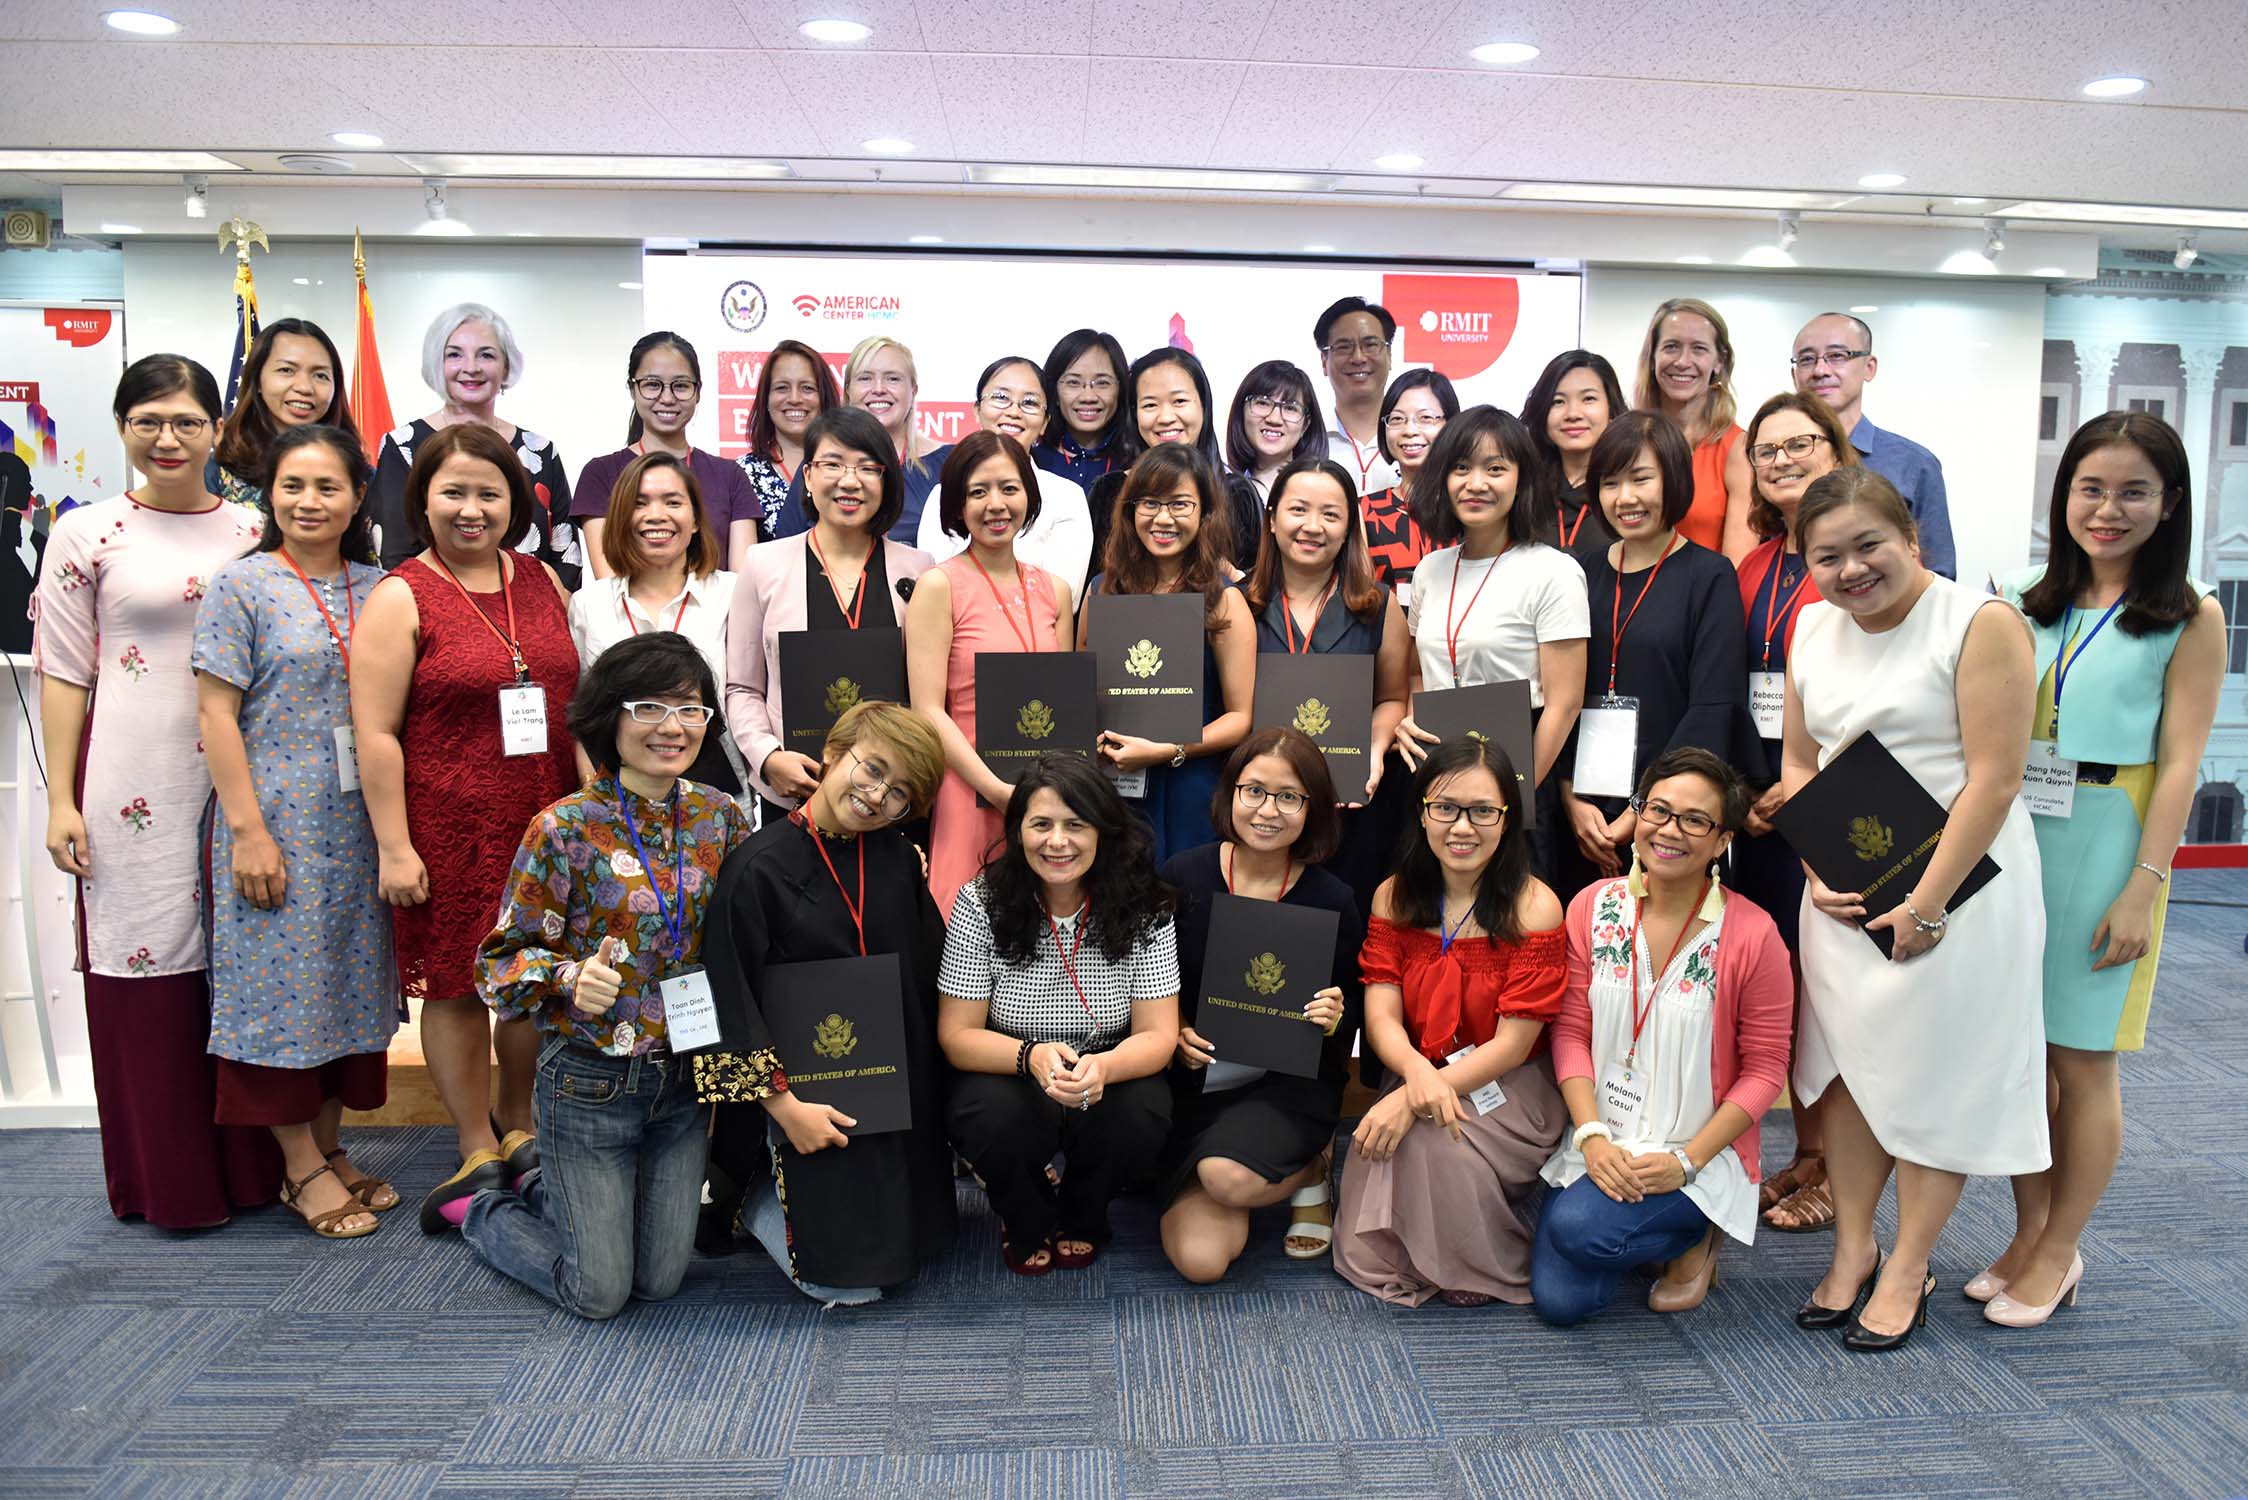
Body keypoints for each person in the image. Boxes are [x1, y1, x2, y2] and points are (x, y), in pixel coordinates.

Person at [1785, 466, 2046, 1351]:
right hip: (1846, 894)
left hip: (1959, 894)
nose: (1851, 570)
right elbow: (1797, 761)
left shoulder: (1981, 622)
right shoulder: (1810, 626)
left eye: (1868, 547)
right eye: (1827, 557)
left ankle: (1909, 1265)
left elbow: (1997, 777)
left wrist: (1926, 906)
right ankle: (1855, 1249)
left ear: (1912, 541)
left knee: (1940, 1077)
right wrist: (1818, 865)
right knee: (1855, 1075)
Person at [1983, 413, 2223, 1327]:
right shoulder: (2023, 599)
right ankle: (2025, 1231)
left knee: (2082, 1063)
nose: (2108, 509)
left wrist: (2144, 887)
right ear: (2064, 495)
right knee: (2022, 1060)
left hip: (2111, 832)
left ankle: (2059, 1250)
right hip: (2018, 834)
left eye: (2133, 492)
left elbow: (2183, 764)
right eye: (2091, 488)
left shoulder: (2189, 614)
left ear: (2169, 505)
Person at [34, 354, 282, 1227]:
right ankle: (166, 1181)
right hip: (133, 775)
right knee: (144, 960)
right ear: (122, 427)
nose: (168, 438)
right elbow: (64, 674)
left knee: (244, 963)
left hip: (246, 777)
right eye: (148, 421)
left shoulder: (254, 530)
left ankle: (258, 1173)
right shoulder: (86, 532)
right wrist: (61, 799)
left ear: (218, 428)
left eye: (186, 421)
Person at [441, 635, 750, 1317]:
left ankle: (545, 1190)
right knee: (599, 1293)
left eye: (691, 710)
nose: (672, 728)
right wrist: (570, 976)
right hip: (590, 1081)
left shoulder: (721, 818)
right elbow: (499, 962)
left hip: (684, 1084)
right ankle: (486, 1207)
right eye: (648, 708)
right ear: (609, 716)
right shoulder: (564, 828)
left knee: (660, 1281)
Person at [351, 422, 581, 1223]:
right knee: (455, 986)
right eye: (454, 492)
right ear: (424, 500)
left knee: (527, 985)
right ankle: (473, 1141)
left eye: (490, 492)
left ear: (515, 499)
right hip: (447, 826)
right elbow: (375, 732)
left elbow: (572, 708)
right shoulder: (400, 593)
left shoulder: (542, 582)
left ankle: (520, 1125)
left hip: (542, 821)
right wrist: (394, 846)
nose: (472, 508)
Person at [193, 424, 400, 1240]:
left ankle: (329, 1146)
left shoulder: (379, 585)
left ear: (357, 499)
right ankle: (299, 1168)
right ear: (269, 494)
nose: (310, 502)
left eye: (329, 487)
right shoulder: (241, 587)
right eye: (293, 486)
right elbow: (214, 711)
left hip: (359, 826)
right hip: (274, 821)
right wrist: (247, 829)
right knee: (276, 996)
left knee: (344, 989)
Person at [696, 701, 958, 1304]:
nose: (876, 796)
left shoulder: (896, 860)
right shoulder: (756, 869)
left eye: (899, 794)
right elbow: (725, 1004)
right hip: (797, 1093)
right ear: (835, 753)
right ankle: (749, 1190)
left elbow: (930, 981)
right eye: (870, 769)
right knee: (849, 1288)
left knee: (922, 1246)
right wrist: (786, 1110)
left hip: (889, 1087)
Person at [1531, 749, 1794, 1325]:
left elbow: (1767, 1069)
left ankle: (1693, 1238)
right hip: (1599, 1141)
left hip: (1693, 1149)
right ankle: (1629, 1228)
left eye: (1695, 820)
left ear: (1723, 839)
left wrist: (1688, 1162)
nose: (1669, 831)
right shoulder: (1592, 907)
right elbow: (1571, 1031)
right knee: (1561, 1302)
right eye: (1658, 810)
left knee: (1576, 1231)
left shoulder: (1753, 934)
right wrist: (1594, 1135)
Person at [1333, 738, 1568, 1307]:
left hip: (1507, 1086)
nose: (1462, 826)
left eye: (1482, 811)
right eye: (1446, 808)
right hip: (1420, 1070)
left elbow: (1514, 1045)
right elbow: (1382, 1015)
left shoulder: (1534, 906)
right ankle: (1444, 1244)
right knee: (1366, 1228)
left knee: (1431, 1144)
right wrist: (1414, 1079)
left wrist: (1409, 1099)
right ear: (1422, 813)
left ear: (1507, 820)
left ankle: (1488, 1259)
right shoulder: (1395, 895)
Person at [939, 755, 1181, 1273]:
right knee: (987, 1116)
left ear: (1103, 832)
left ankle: (1083, 1215)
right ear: (1017, 830)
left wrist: (1106, 1068)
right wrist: (1030, 1056)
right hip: (1012, 1060)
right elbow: (957, 1035)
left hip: (1110, 1063)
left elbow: (1159, 1037)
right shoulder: (980, 902)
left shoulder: (1145, 905)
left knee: (1142, 1112)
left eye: (1076, 825)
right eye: (1041, 824)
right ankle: (1024, 1218)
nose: (1058, 842)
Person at [1158, 728, 1364, 1281]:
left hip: (1285, 1088)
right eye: (1254, 791)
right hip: (1192, 1083)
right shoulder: (1183, 875)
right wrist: (1173, 1028)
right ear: (1231, 794)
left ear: (1312, 808)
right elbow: (1150, 981)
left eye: (1289, 797)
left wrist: (1334, 1018)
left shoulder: (1332, 899)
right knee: (1201, 1263)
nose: (1268, 811)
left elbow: (1352, 1018)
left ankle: (1310, 1163)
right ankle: (1221, 1174)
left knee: (1227, 1177)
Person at [1730, 392, 1861, 1234]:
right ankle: (1810, 1153)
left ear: (1835, 448)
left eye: (1799, 444)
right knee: (1797, 985)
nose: (1782, 460)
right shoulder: (1753, 566)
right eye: (1766, 449)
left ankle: (1844, 1174)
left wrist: (1807, 783)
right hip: (1767, 809)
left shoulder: (1854, 558)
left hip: (1844, 798)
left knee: (1845, 990)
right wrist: (1752, 789)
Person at [1554, 412, 1756, 902]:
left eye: (1642, 479)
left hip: (1670, 819)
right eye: (1610, 482)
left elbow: (1712, 709)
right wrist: (1570, 799)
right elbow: (1558, 694)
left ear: (1674, 479)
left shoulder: (1709, 576)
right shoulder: (1577, 572)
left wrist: (1638, 813)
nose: (1626, 498)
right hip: (1580, 814)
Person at [1392, 405, 1589, 878]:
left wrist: (1512, 801)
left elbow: (1564, 703)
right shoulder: (1430, 570)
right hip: (1438, 773)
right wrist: (1409, 718)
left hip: (1518, 770)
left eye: (1495, 468)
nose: (1475, 483)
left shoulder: (1554, 571)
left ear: (1522, 480)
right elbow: (1418, 670)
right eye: (1461, 468)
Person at [725, 407, 935, 826]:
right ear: (807, 476)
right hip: (796, 790)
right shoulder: (763, 564)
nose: (849, 480)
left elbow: (929, 692)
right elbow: (742, 687)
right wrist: (768, 757)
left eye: (866, 468)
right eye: (832, 464)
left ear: (885, 480)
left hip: (889, 796)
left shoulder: (920, 569)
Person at [909, 432, 1076, 917]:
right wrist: (998, 791)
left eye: (1009, 488)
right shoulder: (938, 585)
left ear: (1029, 494)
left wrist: (1043, 795)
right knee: (968, 931)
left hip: (1046, 798)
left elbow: (1064, 705)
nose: (995, 504)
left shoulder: (1057, 591)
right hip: (969, 789)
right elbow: (927, 710)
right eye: (978, 492)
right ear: (958, 506)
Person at [1241, 456, 1409, 909]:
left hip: (1348, 808)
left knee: (1341, 927)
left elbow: (1394, 697)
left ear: (1349, 527)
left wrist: (1374, 753)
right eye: (1298, 510)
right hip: (1258, 805)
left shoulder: (1377, 606)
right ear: (1272, 519)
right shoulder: (1237, 605)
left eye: (1330, 514)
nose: (1312, 526)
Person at [1089, 443, 1256, 865]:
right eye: (1150, 503)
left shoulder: (1222, 600)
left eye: (1180, 504)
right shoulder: (1101, 592)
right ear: (1130, 511)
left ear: (1204, 512)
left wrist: (1169, 750)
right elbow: (1082, 695)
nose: (1163, 519)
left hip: (1191, 788)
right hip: (1115, 784)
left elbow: (1240, 718)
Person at [567, 451, 741, 795]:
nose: (656, 516)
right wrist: (593, 789)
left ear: (694, 520)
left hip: (717, 793)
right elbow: (580, 713)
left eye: (673, 502)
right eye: (640, 503)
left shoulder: (733, 594)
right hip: (618, 795)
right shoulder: (590, 603)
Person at [369, 303, 578, 585]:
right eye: (454, 354)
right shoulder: (403, 446)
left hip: (532, 618)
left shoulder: (539, 451)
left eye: (486, 355)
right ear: (437, 364)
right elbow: (394, 556)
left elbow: (566, 556)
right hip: (436, 618)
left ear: (506, 367)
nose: (471, 367)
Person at [572, 331, 759, 575]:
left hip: (717, 613)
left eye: (681, 386)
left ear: (698, 392)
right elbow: (609, 586)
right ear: (632, 389)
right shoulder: (601, 474)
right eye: (652, 385)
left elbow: (742, 584)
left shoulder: (730, 476)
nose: (667, 398)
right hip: (628, 613)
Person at [915, 356, 1095, 600]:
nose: (1013, 411)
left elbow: (1064, 596)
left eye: (1029, 402)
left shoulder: (1067, 496)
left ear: (1044, 423)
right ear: (977, 411)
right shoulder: (943, 493)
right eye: (1001, 398)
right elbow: (936, 589)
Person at [1791, 312, 1956, 579]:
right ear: (1794, 374)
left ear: (1869, 367)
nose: (1820, 371)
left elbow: (1939, 576)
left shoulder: (1913, 464)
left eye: (1837, 356)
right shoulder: (1776, 461)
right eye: (1807, 359)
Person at [1087, 347, 1264, 573]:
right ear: (1134, 413)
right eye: (1150, 405)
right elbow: (1095, 590)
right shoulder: (1108, 492)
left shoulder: (1238, 495)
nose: (1166, 417)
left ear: (1204, 405)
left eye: (1179, 401)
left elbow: (1260, 590)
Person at [767, 335, 940, 542]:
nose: (878, 389)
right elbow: (786, 547)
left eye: (892, 378)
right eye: (865, 378)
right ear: (848, 390)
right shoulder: (819, 463)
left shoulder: (948, 463)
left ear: (913, 391)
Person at [1633, 297, 1752, 560]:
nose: (1683, 361)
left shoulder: (1738, 448)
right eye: (1671, 347)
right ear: (1652, 356)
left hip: (1705, 597)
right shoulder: (1627, 440)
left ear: (1719, 362)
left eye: (1698, 349)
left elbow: (1737, 566)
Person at [207, 318, 354, 511]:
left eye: (320, 375)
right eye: (286, 370)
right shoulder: (218, 470)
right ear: (257, 380)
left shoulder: (358, 472)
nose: (304, 387)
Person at [1523, 349, 1627, 575]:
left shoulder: (1629, 491)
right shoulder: (1524, 489)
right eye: (1558, 402)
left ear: (1611, 408)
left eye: (1588, 399)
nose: (1573, 413)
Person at [1358, 369, 1457, 596]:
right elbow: (1360, 596)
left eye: (1426, 418)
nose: (1410, 430)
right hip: (1385, 629)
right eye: (1397, 419)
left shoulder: (1469, 506)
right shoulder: (1364, 512)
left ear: (1451, 424)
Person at [737, 338, 839, 542]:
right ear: (766, 398)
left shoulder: (847, 469)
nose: (794, 398)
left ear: (824, 397)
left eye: (807, 388)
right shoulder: (741, 474)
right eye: (782, 388)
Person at [1313, 296, 1401, 499]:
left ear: (1389, 355)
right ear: (1324, 361)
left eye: (1370, 345)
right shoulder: (1308, 441)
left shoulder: (1415, 440)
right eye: (1343, 347)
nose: (1359, 358)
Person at [1036, 328, 1132, 492]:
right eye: (1073, 382)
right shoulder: (1033, 461)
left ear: (1120, 390)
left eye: (1102, 383)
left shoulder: (1136, 464)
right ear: (1054, 392)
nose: (1088, 397)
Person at [1224, 360, 1329, 502]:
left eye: (1290, 408)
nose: (1274, 419)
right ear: (1241, 413)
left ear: (1305, 425)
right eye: (1262, 403)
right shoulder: (1220, 493)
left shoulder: (1329, 491)